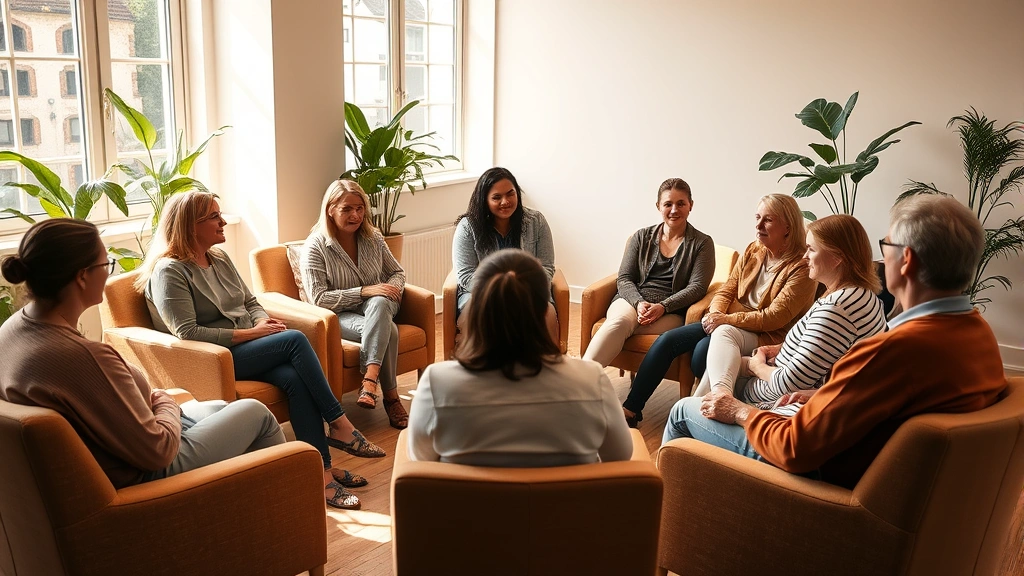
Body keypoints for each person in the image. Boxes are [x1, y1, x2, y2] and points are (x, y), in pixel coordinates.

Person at [664, 195, 1007, 489]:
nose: (881, 257)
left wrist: (738, 411)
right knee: (717, 365)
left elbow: (794, 448)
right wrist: (824, 394)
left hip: (822, 474)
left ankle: (661, 522)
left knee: (682, 411)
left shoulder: (892, 350)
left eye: (886, 247)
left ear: (906, 261)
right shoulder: (978, 334)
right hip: (856, 459)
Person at [136, 190, 384, 510]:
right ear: (189, 225)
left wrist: (264, 322)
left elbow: (251, 303)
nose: (223, 221)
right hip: (216, 357)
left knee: (294, 379)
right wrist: (253, 332)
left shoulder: (220, 258)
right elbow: (187, 332)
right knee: (294, 340)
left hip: (249, 345)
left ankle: (321, 473)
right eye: (214, 216)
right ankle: (338, 423)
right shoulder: (169, 270)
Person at [0, 219, 285, 489]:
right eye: (106, 264)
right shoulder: (82, 357)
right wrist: (164, 401)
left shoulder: (13, 328)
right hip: (143, 471)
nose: (108, 271)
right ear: (82, 277)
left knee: (221, 408)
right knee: (256, 413)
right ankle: (282, 516)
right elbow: (158, 451)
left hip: (124, 444)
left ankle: (245, 510)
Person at [407, 249, 633, 466]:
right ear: (544, 309)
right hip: (566, 505)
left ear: (477, 307)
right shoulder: (591, 378)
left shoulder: (437, 383)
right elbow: (620, 454)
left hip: (470, 505)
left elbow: (422, 462)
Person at [621, 194, 818, 427]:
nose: (758, 225)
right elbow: (727, 289)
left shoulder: (801, 266)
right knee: (667, 340)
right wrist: (715, 314)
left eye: (768, 220)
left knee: (701, 354)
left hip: (767, 333)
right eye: (757, 217)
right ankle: (631, 409)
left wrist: (725, 319)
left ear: (788, 226)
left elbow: (774, 317)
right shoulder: (755, 249)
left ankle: (703, 414)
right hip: (730, 323)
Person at [693, 214, 887, 415]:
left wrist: (756, 366)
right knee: (722, 358)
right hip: (777, 372)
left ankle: (706, 408)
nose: (805, 257)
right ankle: (711, 403)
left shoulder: (837, 308)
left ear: (837, 258)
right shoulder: (862, 296)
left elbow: (790, 382)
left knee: (685, 407)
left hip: (767, 396)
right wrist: (781, 348)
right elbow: (822, 346)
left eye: (811, 249)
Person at [301, 180, 409, 429]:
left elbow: (397, 273)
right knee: (388, 330)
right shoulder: (315, 247)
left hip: (381, 306)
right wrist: (364, 292)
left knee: (380, 302)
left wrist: (390, 289)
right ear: (330, 209)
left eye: (360, 208)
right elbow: (319, 298)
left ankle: (370, 379)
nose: (356, 215)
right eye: (347, 209)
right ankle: (391, 398)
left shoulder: (374, 238)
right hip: (340, 315)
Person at [582, 177, 715, 367]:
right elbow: (625, 278)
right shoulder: (641, 236)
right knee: (620, 322)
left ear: (690, 205)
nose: (674, 210)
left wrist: (663, 306)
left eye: (681, 204)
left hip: (671, 312)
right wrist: (638, 303)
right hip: (632, 301)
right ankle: (582, 377)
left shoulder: (702, 243)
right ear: (658, 206)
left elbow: (698, 287)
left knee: (623, 327)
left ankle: (579, 382)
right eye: (668, 204)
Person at [453, 167, 558, 344]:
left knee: (545, 314)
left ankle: (541, 369)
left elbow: (546, 267)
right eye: (496, 197)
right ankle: (489, 369)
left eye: (510, 194)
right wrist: (503, 291)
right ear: (484, 200)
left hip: (529, 293)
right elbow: (465, 276)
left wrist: (522, 291)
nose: (505, 201)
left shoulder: (536, 221)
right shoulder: (468, 227)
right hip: (482, 295)